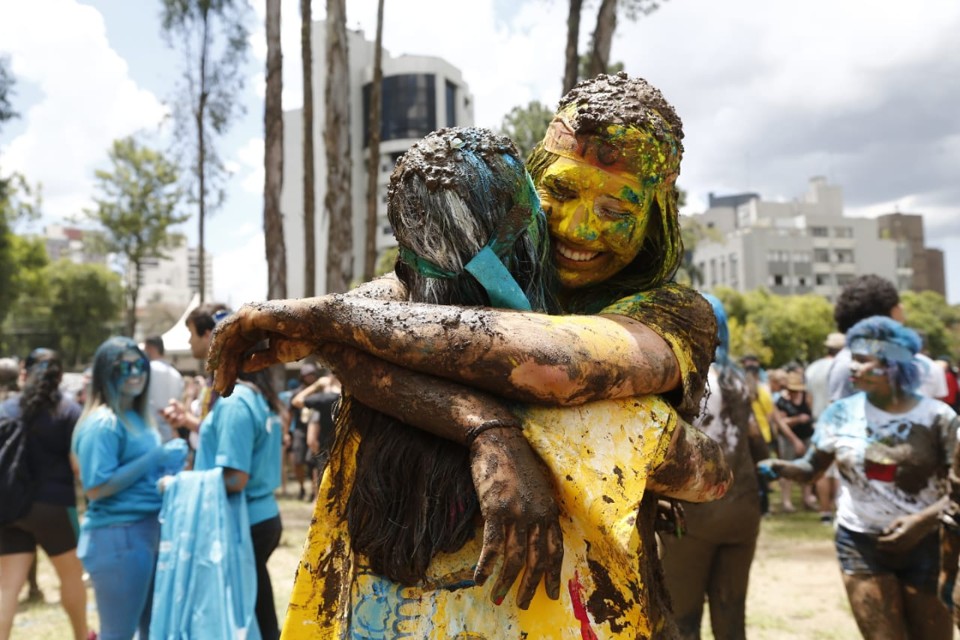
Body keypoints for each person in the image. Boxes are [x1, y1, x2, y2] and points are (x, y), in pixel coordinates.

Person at [215, 119, 727, 636]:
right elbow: (704, 469)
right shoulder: (614, 423)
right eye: (560, 193)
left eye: (616, 209)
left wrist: (327, 322)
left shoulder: (672, 311)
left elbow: (555, 366)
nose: (579, 229)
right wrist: (485, 426)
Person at [760, 316, 957, 640]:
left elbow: (958, 491)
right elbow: (813, 469)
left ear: (893, 365)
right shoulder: (840, 413)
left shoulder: (938, 418)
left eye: (863, 360)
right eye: (853, 358)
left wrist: (920, 522)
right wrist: (779, 467)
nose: (853, 367)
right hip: (860, 542)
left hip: (927, 545)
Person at [663, 295, 765, 640]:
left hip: (694, 514)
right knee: (731, 617)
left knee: (682, 619)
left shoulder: (683, 376)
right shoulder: (738, 380)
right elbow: (755, 443)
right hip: (743, 511)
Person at [71, 337, 187, 640]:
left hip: (147, 531)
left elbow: (141, 473)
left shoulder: (136, 416)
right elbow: (96, 487)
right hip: (117, 537)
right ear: (105, 372)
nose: (136, 372)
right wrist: (156, 455)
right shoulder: (102, 423)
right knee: (118, 634)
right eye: (125, 366)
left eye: (141, 365)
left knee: (152, 630)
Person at [185, 305, 284, 640]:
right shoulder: (257, 397)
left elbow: (235, 478)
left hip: (246, 520)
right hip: (261, 515)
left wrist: (182, 485)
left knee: (243, 612)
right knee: (257, 605)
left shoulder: (235, 402)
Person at [0, 349, 89, 640]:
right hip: (54, 508)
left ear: (24, 373)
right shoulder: (69, 411)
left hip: (10, 507)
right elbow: (78, 466)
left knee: (7, 587)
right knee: (71, 577)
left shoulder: (6, 410)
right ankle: (81, 635)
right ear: (59, 375)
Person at [829, 274, 947, 401]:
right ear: (891, 312)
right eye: (898, 303)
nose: (903, 307)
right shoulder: (927, 368)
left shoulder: (845, 362)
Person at [807, 332, 845, 523]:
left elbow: (809, 399)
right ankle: (840, 510)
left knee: (822, 468)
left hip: (819, 422)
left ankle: (824, 512)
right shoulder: (844, 366)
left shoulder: (813, 368)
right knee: (840, 468)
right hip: (841, 421)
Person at [142, 335, 184, 443]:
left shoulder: (148, 370)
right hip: (170, 433)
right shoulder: (176, 374)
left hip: (149, 433)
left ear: (150, 348)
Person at [287, 363, 320, 500]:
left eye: (312, 374)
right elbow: (289, 413)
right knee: (298, 461)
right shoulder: (297, 392)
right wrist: (286, 432)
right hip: (300, 430)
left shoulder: (320, 391)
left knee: (314, 462)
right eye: (307, 374)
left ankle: (314, 491)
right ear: (302, 376)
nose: (310, 377)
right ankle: (301, 488)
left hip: (317, 430)